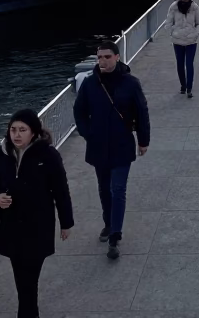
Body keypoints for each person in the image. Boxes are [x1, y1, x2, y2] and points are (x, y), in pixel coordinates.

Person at [0, 109, 74, 318]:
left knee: (29, 280)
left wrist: (66, 223)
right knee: (22, 279)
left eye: (22, 130)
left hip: (37, 227)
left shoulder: (49, 155)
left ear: (33, 132)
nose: (16, 135)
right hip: (12, 227)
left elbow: (61, 191)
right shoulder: (3, 153)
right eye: (13, 130)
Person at [73, 40, 150, 259]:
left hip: (122, 144)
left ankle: (115, 234)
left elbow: (142, 113)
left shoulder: (130, 84)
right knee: (104, 187)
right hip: (98, 145)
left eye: (107, 56)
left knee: (118, 189)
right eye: (99, 57)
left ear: (117, 57)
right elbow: (79, 111)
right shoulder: (89, 84)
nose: (103, 61)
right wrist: (88, 133)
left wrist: (143, 140)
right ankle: (108, 222)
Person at [167, 0, 199, 97]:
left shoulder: (194, 7)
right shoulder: (173, 7)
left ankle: (189, 88)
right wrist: (173, 32)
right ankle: (183, 85)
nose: (185, 1)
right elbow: (168, 23)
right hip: (177, 41)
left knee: (189, 64)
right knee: (179, 64)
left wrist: (195, 33)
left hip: (191, 41)